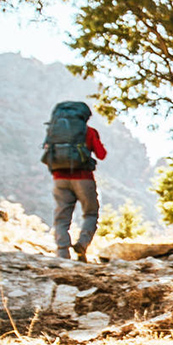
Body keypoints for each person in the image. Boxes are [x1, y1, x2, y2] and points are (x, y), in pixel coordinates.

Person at [45, 103, 106, 261]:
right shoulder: (89, 132)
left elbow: (47, 152)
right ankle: (82, 245)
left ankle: (62, 251)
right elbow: (101, 154)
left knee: (62, 216)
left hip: (59, 179)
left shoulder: (54, 131)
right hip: (84, 178)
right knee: (91, 213)